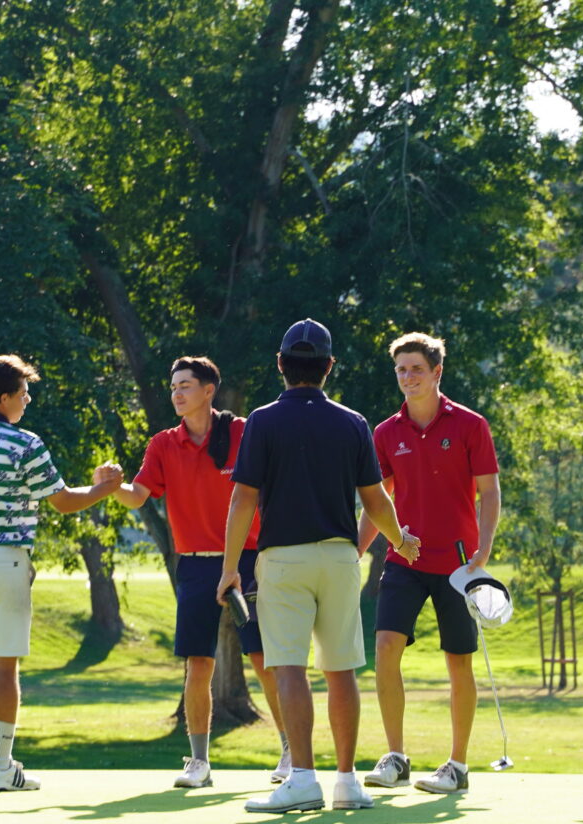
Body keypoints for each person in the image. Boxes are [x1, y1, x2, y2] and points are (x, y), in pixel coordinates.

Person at [217, 319, 421, 813]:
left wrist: (229, 571)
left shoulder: (263, 420)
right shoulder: (353, 422)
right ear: (328, 367)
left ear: (281, 365)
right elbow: (375, 502)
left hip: (282, 559)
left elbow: (243, 499)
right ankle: (347, 782)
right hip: (338, 557)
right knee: (342, 670)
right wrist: (402, 540)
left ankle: (304, 778)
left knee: (289, 668)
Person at [0, 354, 124, 793]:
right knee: (4, 666)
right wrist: (104, 490)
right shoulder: (24, 443)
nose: (28, 400)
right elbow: (63, 501)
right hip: (5, 559)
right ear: (4, 397)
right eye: (23, 392)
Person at [107, 356, 288, 789]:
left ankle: (290, 749)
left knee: (264, 659)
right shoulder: (163, 444)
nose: (177, 393)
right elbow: (138, 496)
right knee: (198, 664)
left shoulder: (244, 432)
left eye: (185, 385)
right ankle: (199, 762)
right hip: (194, 565)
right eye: (173, 387)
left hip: (247, 561)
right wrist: (112, 485)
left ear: (209, 390)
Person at [358, 331, 501, 796]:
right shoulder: (384, 433)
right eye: (401, 369)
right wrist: (355, 551)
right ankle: (396, 757)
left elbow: (490, 490)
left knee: (458, 661)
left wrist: (483, 551)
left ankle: (457, 766)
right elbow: (378, 503)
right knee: (384, 649)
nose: (408, 377)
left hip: (458, 566)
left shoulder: (470, 424)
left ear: (436, 372)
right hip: (405, 557)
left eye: (416, 368)